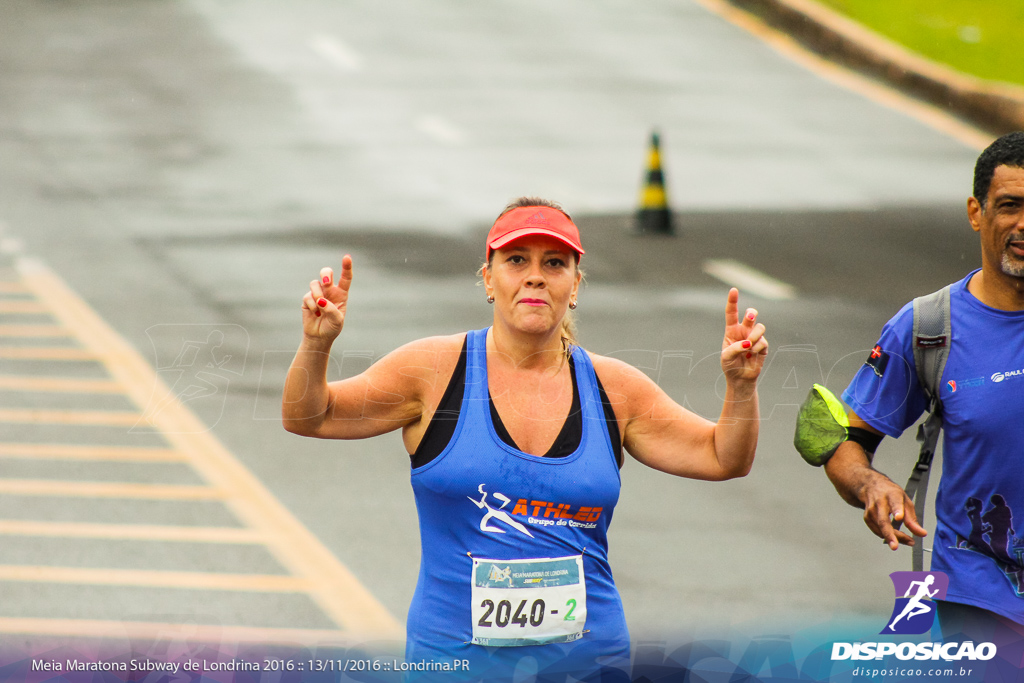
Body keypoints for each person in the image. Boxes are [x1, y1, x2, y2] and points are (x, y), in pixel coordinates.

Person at [282, 198, 769, 681]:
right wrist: (316, 342)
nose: (535, 276)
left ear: (574, 286)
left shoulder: (615, 389)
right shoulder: (432, 371)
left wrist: (742, 387)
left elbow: (722, 455)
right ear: (489, 279)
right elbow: (310, 416)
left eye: (554, 263)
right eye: (517, 260)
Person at [824, 131, 1024, 636]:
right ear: (976, 213)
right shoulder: (928, 327)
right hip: (981, 598)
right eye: (1010, 206)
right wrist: (871, 483)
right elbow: (844, 441)